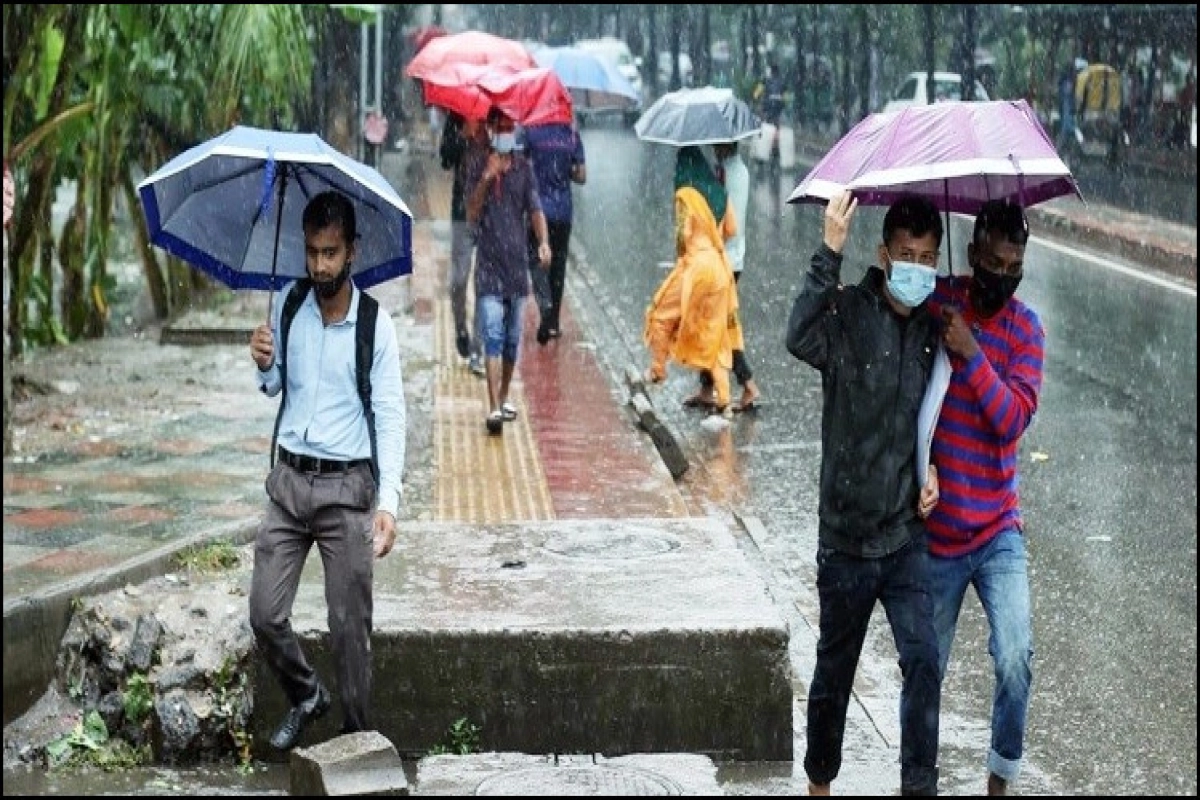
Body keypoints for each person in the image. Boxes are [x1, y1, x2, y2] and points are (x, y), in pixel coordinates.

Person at [785, 190, 944, 797]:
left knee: (924, 660)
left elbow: (935, 419)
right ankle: (820, 782)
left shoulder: (932, 330)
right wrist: (829, 250)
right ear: (885, 253)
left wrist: (934, 473)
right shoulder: (848, 313)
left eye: (928, 257)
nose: (918, 267)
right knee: (834, 673)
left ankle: (918, 787)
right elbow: (798, 336)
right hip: (847, 538)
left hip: (904, 535)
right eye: (907, 254)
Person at [247, 190, 406, 751]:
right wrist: (265, 364)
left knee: (349, 629)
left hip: (347, 488)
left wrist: (388, 504)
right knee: (264, 613)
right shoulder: (290, 307)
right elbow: (275, 387)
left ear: (352, 252)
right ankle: (306, 694)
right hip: (289, 483)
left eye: (331, 253)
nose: (320, 265)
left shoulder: (374, 326)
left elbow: (390, 418)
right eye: (313, 252)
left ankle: (356, 740)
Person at [924, 199, 1041, 797]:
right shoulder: (940, 305)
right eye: (993, 263)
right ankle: (917, 782)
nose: (1003, 275)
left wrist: (970, 352)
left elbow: (1012, 420)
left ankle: (999, 781)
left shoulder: (1026, 329)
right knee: (924, 672)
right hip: (938, 534)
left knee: (1016, 659)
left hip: (998, 529)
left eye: (1014, 266)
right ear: (972, 257)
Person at [465, 110, 551, 435]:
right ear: (490, 130)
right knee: (493, 335)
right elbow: (472, 214)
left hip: (516, 269)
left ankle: (501, 398)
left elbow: (535, 208)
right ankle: (492, 407)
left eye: (508, 128)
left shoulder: (524, 168)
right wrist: (487, 178)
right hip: (488, 266)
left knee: (512, 342)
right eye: (499, 128)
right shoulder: (477, 164)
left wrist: (543, 242)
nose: (504, 133)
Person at [643, 185, 742, 416]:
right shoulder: (719, 192)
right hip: (719, 268)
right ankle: (725, 400)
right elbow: (732, 228)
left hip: (695, 268)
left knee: (660, 314)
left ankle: (657, 370)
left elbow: (683, 234)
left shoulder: (685, 195)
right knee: (715, 333)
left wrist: (684, 247)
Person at [693, 140, 760, 412]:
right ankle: (707, 386)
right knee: (714, 321)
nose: (711, 147)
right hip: (729, 258)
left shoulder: (730, 174)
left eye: (716, 143)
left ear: (725, 144)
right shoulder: (731, 170)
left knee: (720, 325)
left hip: (725, 260)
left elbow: (728, 223)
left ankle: (748, 384)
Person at [521, 120, 586, 345]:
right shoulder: (571, 135)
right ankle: (554, 322)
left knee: (535, 259)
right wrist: (566, 169)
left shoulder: (531, 131)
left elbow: (521, 162)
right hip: (562, 211)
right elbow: (582, 176)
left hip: (537, 210)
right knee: (558, 265)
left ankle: (544, 304)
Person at [439, 111, 490, 375]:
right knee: (459, 280)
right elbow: (445, 160)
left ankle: (478, 351)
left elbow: (514, 159)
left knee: (485, 284)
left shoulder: (499, 115)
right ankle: (461, 329)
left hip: (493, 214)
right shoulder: (456, 116)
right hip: (462, 212)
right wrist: (462, 137)